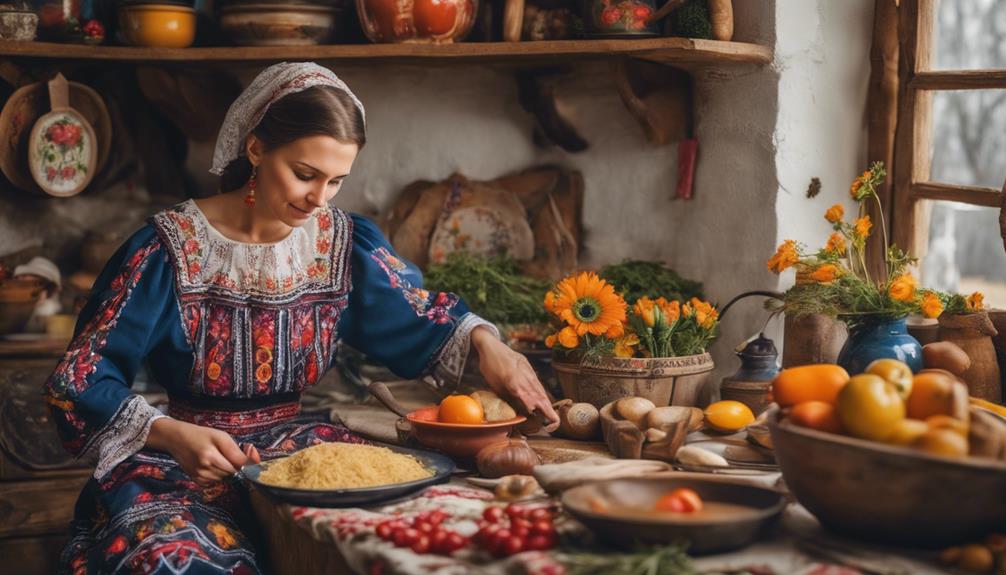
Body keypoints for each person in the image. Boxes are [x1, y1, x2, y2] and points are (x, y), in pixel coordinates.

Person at [44, 62, 559, 574]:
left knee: (421, 537)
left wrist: (491, 345)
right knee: (175, 562)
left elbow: (416, 315)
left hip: (297, 451)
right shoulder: (166, 249)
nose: (319, 199)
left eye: (336, 181)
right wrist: (170, 433)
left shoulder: (342, 244)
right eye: (305, 174)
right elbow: (81, 377)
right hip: (179, 459)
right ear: (256, 149)